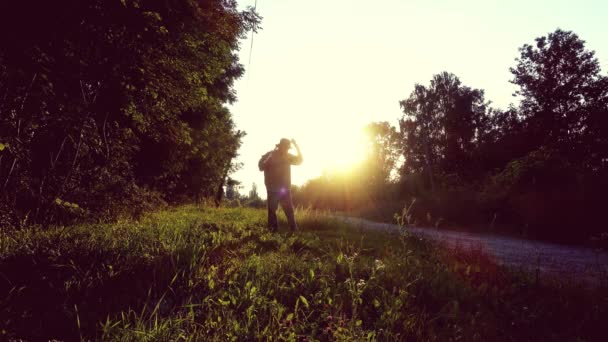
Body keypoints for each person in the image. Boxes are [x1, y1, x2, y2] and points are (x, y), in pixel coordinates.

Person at [258, 138, 303, 232]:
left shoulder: (288, 156)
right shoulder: (270, 154)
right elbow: (260, 167)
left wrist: (296, 146)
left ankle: (294, 230)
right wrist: (266, 162)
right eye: (286, 147)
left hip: (285, 188)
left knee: (289, 211)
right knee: (272, 211)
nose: (287, 150)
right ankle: (272, 231)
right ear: (280, 146)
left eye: (288, 148)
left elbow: (300, 160)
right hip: (272, 188)